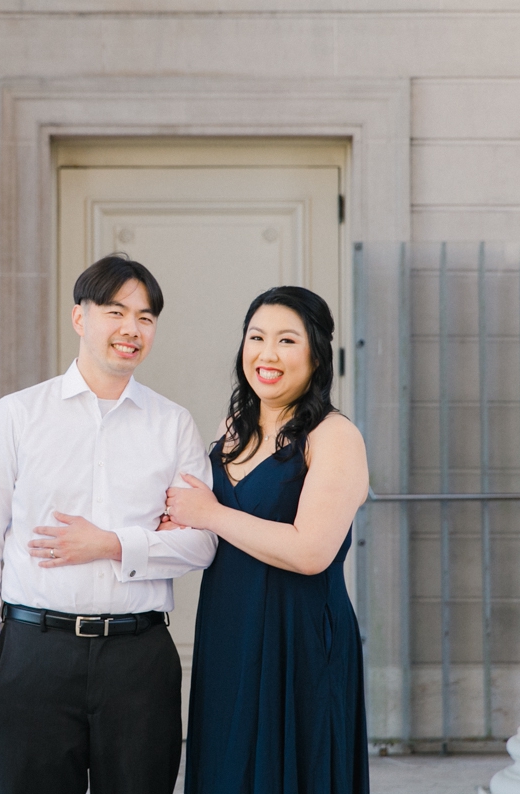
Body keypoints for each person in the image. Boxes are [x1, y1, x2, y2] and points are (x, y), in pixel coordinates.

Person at [0, 254, 217, 794]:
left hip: (138, 659)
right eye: (116, 312)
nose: (131, 329)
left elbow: (201, 542)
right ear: (81, 318)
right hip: (32, 653)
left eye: (146, 317)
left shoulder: (173, 425)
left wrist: (110, 544)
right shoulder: (18, 415)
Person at [163, 285, 371, 794]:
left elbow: (310, 550)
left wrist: (209, 513)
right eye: (256, 337)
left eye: (286, 340)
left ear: (316, 355)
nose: (267, 354)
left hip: (297, 636)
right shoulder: (234, 427)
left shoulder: (334, 435)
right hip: (229, 630)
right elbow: (215, 525)